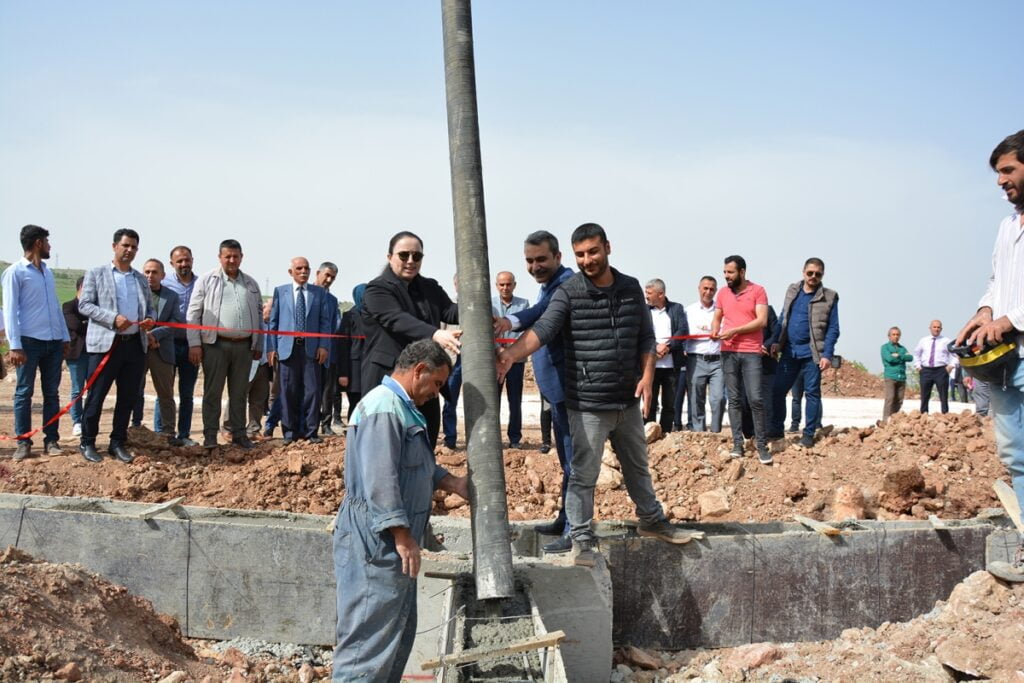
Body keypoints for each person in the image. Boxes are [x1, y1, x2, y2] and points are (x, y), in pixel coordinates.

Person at [497, 223, 692, 565]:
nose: (588, 260)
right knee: (583, 474)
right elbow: (543, 328)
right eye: (581, 255)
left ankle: (652, 520)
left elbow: (646, 337)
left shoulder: (631, 288)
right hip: (587, 402)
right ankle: (580, 539)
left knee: (637, 467)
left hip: (626, 399)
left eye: (593, 252)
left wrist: (647, 377)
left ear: (608, 248)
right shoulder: (570, 291)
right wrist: (511, 355)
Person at [332, 340, 469, 679]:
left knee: (393, 637)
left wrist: (455, 483)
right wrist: (402, 533)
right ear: (419, 370)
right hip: (375, 540)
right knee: (367, 642)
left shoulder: (401, 407)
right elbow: (381, 476)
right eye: (436, 383)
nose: (435, 393)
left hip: (387, 541)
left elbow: (414, 465)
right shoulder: (384, 407)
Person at [955, 129, 1024, 581]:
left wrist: (1012, 318)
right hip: (1004, 361)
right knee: (1017, 456)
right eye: (998, 173)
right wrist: (984, 312)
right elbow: (997, 281)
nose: (1001, 181)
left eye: (1008, 170)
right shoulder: (1006, 227)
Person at [493, 230, 575, 551]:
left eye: (541, 259)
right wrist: (508, 321)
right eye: (529, 260)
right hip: (555, 391)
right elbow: (536, 312)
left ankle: (575, 529)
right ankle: (565, 518)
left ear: (557, 257)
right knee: (566, 459)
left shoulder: (565, 284)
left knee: (574, 462)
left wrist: (509, 326)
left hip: (567, 388)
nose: (535, 266)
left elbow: (542, 319)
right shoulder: (549, 286)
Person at [361, 231, 460, 447]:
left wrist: (480, 310)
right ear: (390, 257)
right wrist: (435, 334)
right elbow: (397, 319)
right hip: (389, 380)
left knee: (424, 446)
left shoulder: (430, 287)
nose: (410, 261)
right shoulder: (377, 289)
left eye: (417, 256)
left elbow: (451, 312)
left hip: (426, 383)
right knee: (386, 447)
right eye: (404, 255)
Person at [78, 228, 155, 464]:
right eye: (125, 246)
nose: (129, 250)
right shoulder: (97, 273)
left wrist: (149, 320)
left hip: (134, 346)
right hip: (106, 346)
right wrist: (113, 318)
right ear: (114, 247)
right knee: (96, 395)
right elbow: (85, 305)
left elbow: (150, 308)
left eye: (133, 247)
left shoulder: (141, 279)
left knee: (127, 398)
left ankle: (117, 442)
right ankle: (88, 442)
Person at [187, 239, 264, 450]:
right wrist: (194, 344)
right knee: (213, 392)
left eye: (235, 256)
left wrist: (258, 344)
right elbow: (193, 314)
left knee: (239, 393)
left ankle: (239, 434)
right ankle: (210, 436)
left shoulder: (251, 283)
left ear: (241, 257)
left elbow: (259, 315)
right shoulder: (206, 280)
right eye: (227, 256)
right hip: (215, 345)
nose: (232, 260)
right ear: (220, 257)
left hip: (244, 347)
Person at [2, 225, 70, 460]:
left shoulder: (47, 273)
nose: (50, 246)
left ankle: (51, 441)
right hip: (28, 344)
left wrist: (65, 337)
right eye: (48, 242)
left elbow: (55, 308)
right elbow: (10, 311)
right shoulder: (15, 273)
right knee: (24, 392)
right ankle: (23, 442)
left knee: (52, 393)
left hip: (53, 343)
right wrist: (15, 345)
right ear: (38, 243)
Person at [767, 258, 841, 449]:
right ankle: (776, 430)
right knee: (778, 390)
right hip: (790, 352)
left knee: (812, 393)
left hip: (812, 355)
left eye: (817, 274)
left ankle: (808, 434)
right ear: (803, 272)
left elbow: (833, 328)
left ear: (822, 275)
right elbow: (783, 317)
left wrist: (827, 354)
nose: (813, 277)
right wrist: (776, 341)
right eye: (810, 273)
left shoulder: (830, 297)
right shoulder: (793, 290)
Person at [712, 255, 771, 464]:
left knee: (755, 399)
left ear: (742, 272)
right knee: (734, 399)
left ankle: (762, 445)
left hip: (751, 352)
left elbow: (761, 320)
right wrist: (714, 330)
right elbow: (717, 317)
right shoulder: (722, 293)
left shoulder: (758, 291)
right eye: (725, 272)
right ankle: (738, 443)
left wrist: (735, 330)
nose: (726, 276)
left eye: (730, 272)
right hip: (728, 351)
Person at [268, 257, 332, 445]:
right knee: (288, 391)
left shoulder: (318, 293)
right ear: (291, 272)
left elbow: (325, 322)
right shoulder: (281, 292)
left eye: (306, 268)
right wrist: (271, 347)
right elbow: (273, 322)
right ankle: (289, 432)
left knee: (312, 391)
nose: (303, 272)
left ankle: (311, 431)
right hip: (287, 348)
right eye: (299, 268)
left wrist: (323, 345)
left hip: (311, 349)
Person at [131, 259, 184, 443]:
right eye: (146, 272)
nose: (150, 276)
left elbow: (176, 322)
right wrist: (145, 336)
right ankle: (134, 426)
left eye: (154, 272)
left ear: (162, 275)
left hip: (161, 349)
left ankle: (168, 432)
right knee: (133, 390)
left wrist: (155, 335)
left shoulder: (171, 296)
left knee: (165, 393)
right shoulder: (133, 294)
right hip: (137, 347)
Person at [160, 245, 200, 446]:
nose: (184, 264)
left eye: (187, 260)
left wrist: (196, 344)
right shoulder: (164, 284)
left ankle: (183, 434)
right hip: (166, 344)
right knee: (164, 392)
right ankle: (163, 434)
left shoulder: (201, 284)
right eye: (179, 261)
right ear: (172, 263)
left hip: (191, 346)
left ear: (192, 259)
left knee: (187, 393)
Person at [643, 278, 688, 434]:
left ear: (660, 294)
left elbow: (682, 331)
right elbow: (641, 333)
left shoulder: (676, 309)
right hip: (650, 366)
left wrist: (667, 347)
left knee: (669, 404)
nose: (646, 296)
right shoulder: (644, 310)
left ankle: (665, 434)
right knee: (650, 401)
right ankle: (648, 433)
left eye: (649, 293)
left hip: (671, 366)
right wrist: (655, 347)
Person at [493, 271, 529, 448]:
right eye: (502, 284)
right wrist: (498, 351)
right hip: (494, 360)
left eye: (508, 284)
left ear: (514, 285)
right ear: (496, 285)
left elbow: (525, 331)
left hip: (516, 361)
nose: (505, 288)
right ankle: (493, 438)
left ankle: (515, 438)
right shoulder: (489, 304)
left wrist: (513, 352)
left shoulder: (524, 304)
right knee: (493, 400)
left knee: (515, 401)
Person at [685, 276, 725, 433]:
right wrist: (704, 331)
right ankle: (699, 433)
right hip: (696, 360)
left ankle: (715, 433)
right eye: (705, 288)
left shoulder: (721, 311)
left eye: (712, 289)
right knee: (696, 399)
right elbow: (684, 332)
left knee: (718, 399)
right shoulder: (689, 311)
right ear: (699, 288)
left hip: (718, 361)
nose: (708, 292)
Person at [313, 262, 343, 436]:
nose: (329, 280)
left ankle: (326, 423)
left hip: (329, 353)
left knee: (328, 391)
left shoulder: (332, 300)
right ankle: (309, 423)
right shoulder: (307, 294)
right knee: (310, 389)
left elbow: (334, 326)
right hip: (309, 352)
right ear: (318, 273)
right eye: (327, 275)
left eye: (333, 277)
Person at [62, 277, 89, 437]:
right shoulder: (69, 306)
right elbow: (76, 326)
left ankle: (89, 419)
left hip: (94, 352)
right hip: (76, 353)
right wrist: (90, 322)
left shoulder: (96, 306)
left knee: (93, 389)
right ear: (80, 287)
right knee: (77, 389)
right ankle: (77, 421)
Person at [913, 320, 956, 414]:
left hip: (941, 370)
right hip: (926, 370)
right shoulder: (923, 340)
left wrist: (951, 366)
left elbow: (955, 356)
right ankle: (923, 415)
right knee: (924, 395)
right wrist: (918, 366)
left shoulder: (946, 341)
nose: (936, 329)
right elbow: (917, 354)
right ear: (930, 328)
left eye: (938, 327)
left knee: (943, 395)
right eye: (934, 327)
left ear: (941, 329)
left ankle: (945, 415)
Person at [339, 283, 367, 422]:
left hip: (370, 365)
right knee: (355, 402)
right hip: (354, 367)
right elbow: (342, 347)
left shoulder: (376, 316)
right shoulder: (349, 316)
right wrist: (343, 373)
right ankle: (353, 431)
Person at [880, 326, 914, 420]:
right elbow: (889, 358)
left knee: (899, 400)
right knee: (890, 398)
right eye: (893, 334)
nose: (896, 336)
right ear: (889, 336)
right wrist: (902, 357)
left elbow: (910, 358)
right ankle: (886, 420)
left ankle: (894, 419)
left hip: (901, 377)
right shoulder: (885, 347)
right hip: (891, 376)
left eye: (897, 334)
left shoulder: (902, 348)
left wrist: (898, 356)